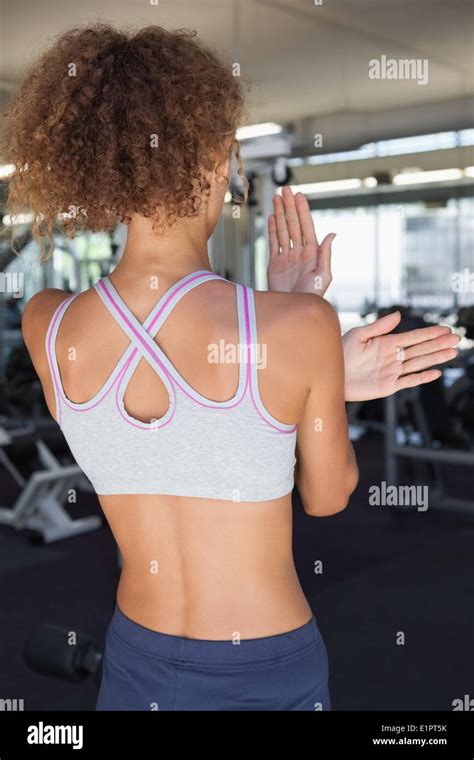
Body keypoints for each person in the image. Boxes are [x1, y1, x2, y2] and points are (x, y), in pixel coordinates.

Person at [4, 24, 459, 711]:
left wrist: (316, 367)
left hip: (136, 658)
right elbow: (327, 496)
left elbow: (184, 414)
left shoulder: (47, 322)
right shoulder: (293, 325)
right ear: (221, 157)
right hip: (268, 665)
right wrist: (314, 354)